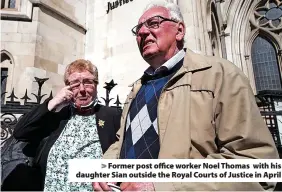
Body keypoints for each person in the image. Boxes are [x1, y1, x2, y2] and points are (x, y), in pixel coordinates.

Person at [93, 1, 279, 191]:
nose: (142, 32)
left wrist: (160, 186)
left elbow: (255, 164)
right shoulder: (137, 89)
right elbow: (120, 143)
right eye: (138, 28)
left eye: (154, 23)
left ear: (180, 30)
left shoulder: (220, 75)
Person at [13, 59, 121, 191]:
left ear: (96, 85)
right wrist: (53, 102)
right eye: (75, 84)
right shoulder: (58, 117)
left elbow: (129, 152)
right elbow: (20, 132)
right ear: (67, 88)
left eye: (88, 82)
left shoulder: (112, 116)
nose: (82, 89)